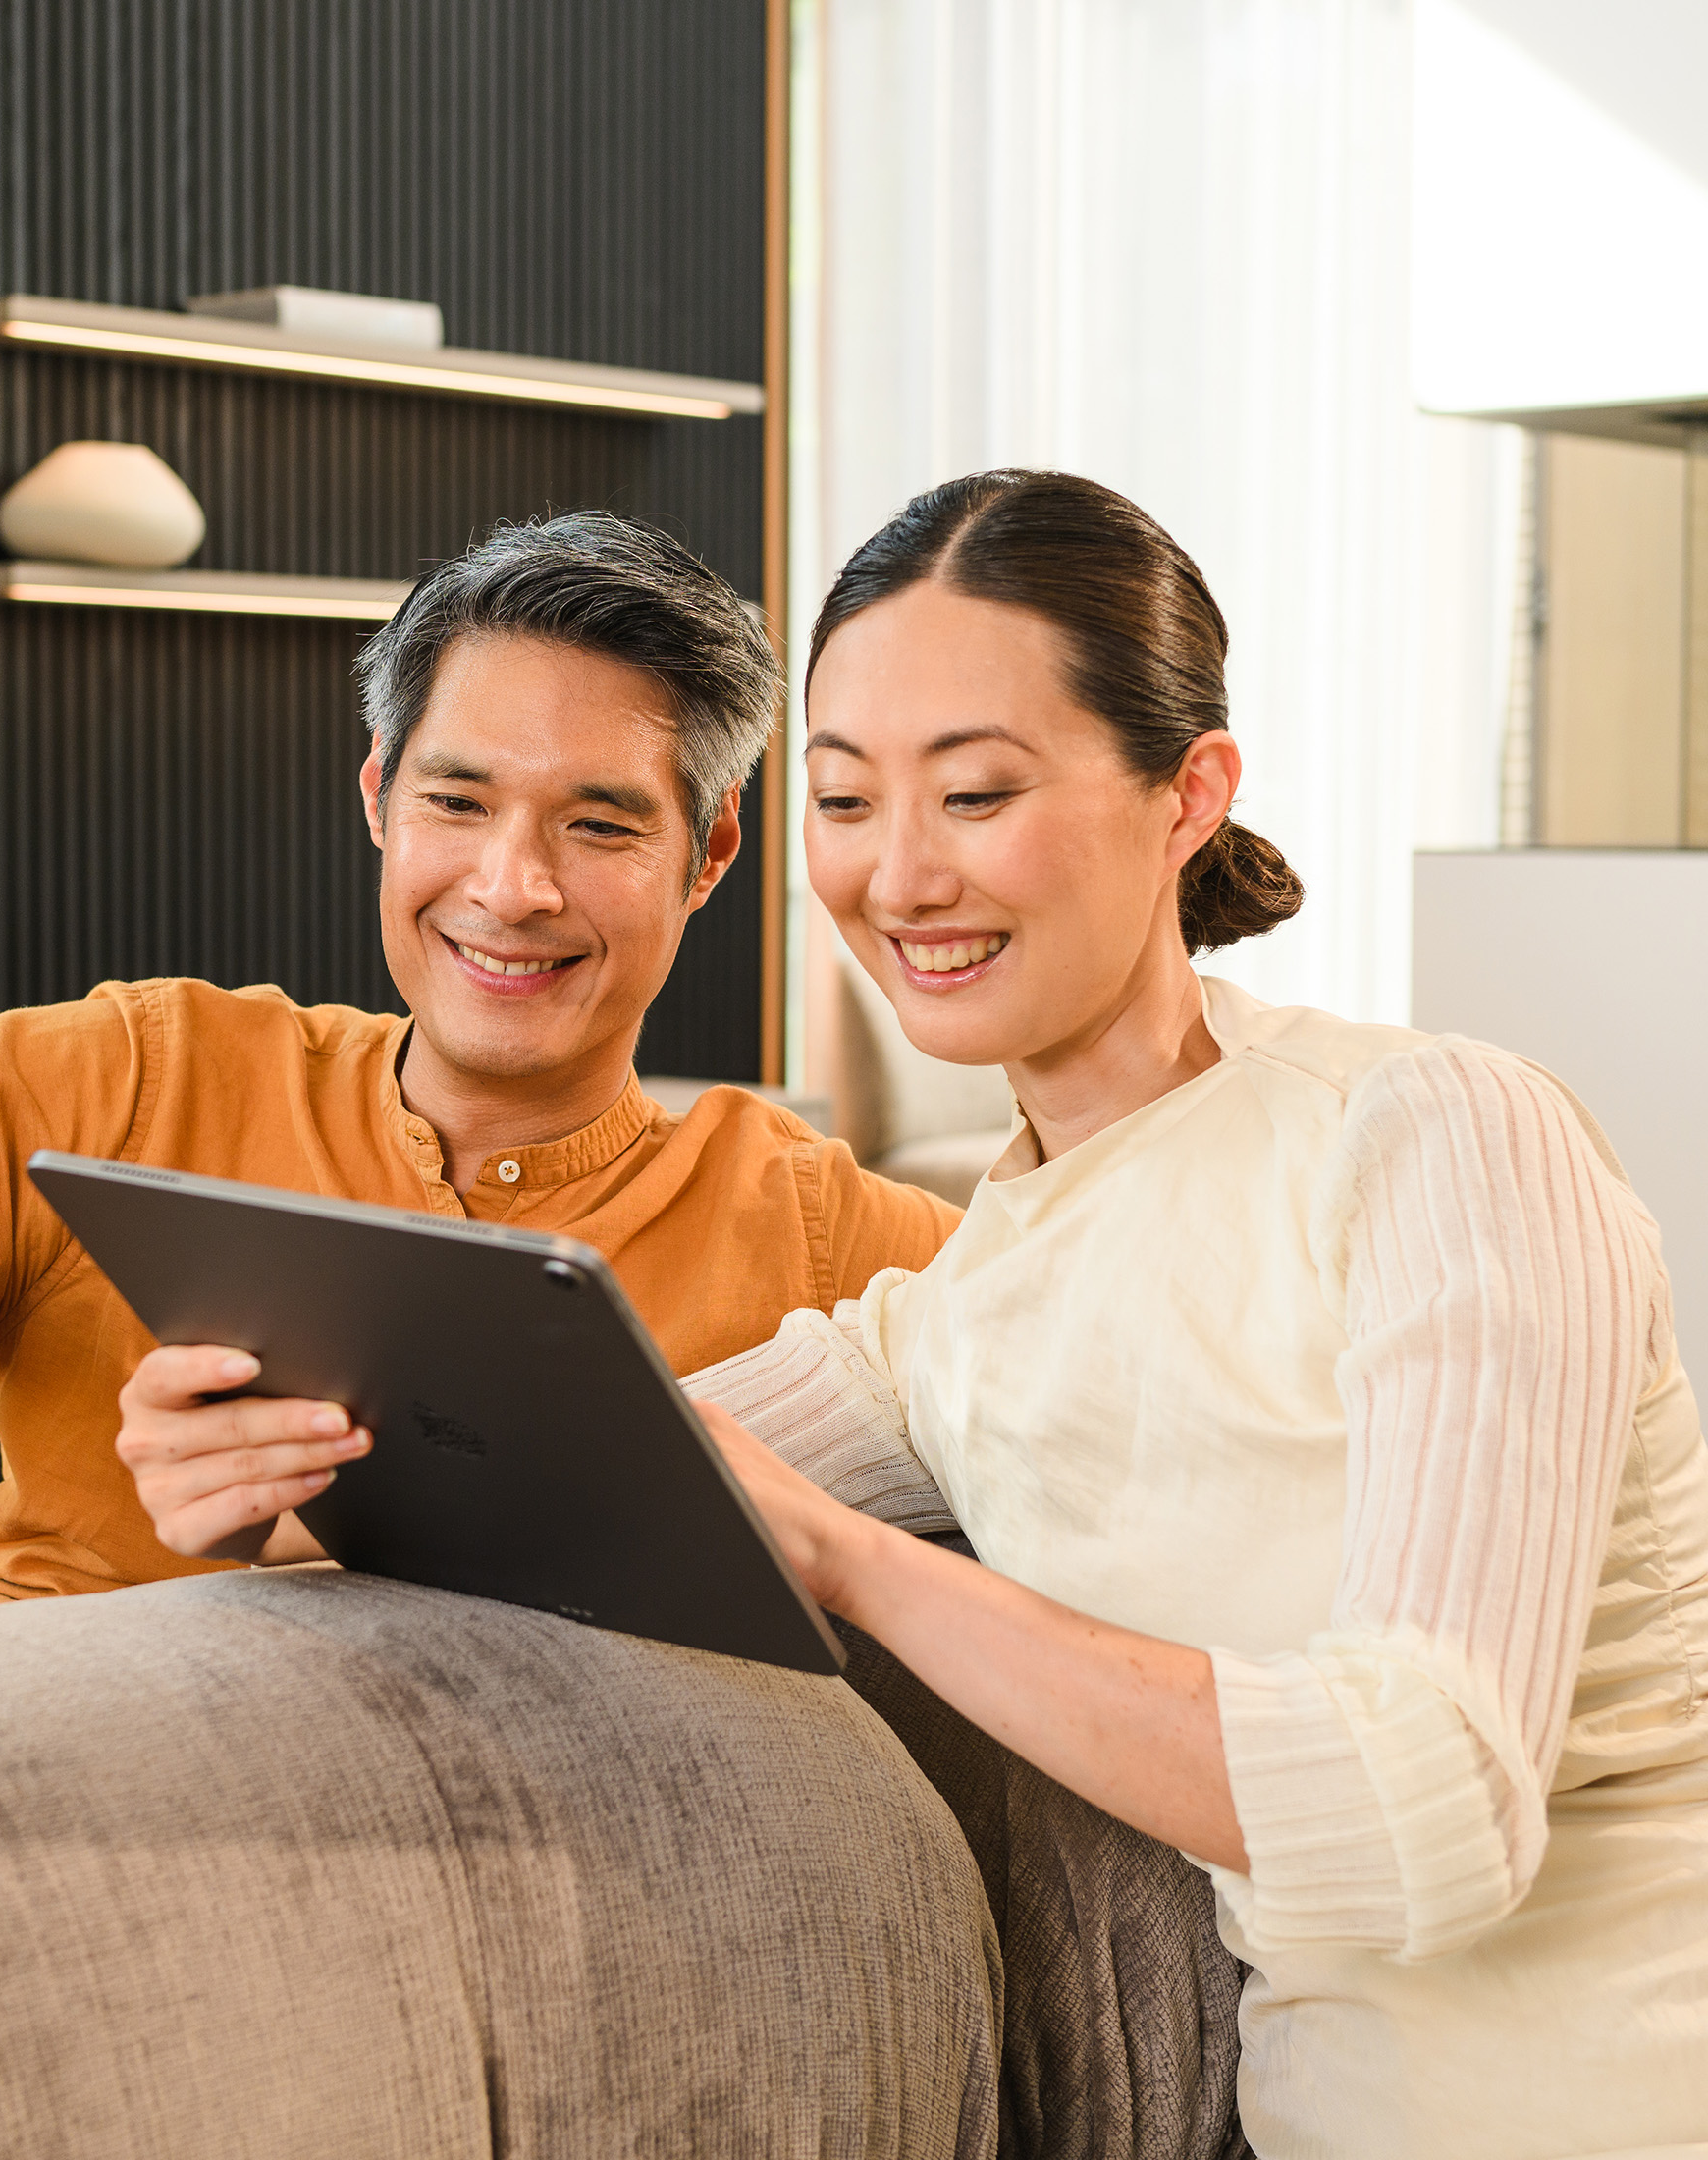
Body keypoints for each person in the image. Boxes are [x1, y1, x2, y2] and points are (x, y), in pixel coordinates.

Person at [667, 470, 1706, 2157]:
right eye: (845, 799)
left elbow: (1427, 1810)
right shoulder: (953, 1317)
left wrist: (858, 1563)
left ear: (1188, 796)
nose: (900, 874)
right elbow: (564, 1460)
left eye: (977, 792)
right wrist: (264, 1472)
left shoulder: (1434, 1134)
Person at [0, 512, 956, 1640]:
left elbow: (1067, 1343)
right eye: (457, 802)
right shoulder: (137, 1075)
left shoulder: (816, 1233)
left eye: (599, 826)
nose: (510, 888)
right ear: (379, 800)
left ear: (707, 857)